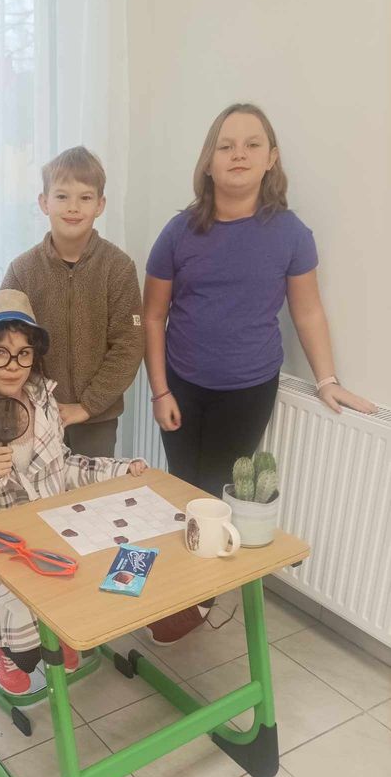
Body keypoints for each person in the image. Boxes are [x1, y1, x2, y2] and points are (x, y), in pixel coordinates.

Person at [143, 103, 377, 645]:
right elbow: (152, 315)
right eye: (226, 145)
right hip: (180, 385)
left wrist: (327, 380)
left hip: (248, 390)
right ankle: (177, 582)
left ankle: (198, 595)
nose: (239, 154)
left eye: (252, 144)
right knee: (180, 487)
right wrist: (159, 390)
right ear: (208, 161)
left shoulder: (290, 234)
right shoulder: (179, 232)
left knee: (213, 491)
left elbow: (308, 311)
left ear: (271, 158)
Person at [0, 290, 147, 694]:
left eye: (23, 354)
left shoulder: (42, 400)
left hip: (47, 526)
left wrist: (120, 469)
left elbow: (64, 466)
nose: (13, 366)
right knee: (14, 608)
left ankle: (53, 626)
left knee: (86, 557)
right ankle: (1, 644)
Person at [0, 146, 144, 458]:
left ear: (100, 205)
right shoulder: (22, 271)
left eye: (85, 197)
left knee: (94, 488)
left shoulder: (118, 268)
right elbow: (3, 343)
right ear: (44, 202)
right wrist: (30, 401)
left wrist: (87, 405)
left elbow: (128, 346)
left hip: (97, 420)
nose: (73, 207)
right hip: (34, 417)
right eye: (62, 196)